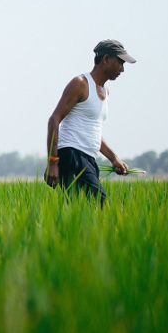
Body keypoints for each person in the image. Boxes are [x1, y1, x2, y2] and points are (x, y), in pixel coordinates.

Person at [45, 39, 136, 208]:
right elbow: (54, 119)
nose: (122, 70)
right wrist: (52, 162)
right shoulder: (80, 84)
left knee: (79, 208)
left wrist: (114, 158)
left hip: (88, 157)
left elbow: (92, 132)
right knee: (98, 200)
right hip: (71, 154)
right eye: (120, 63)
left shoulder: (106, 92)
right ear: (106, 59)